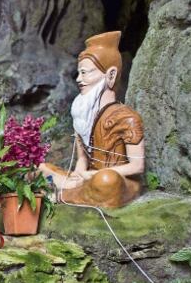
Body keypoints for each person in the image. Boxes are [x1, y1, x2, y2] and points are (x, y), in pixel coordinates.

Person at [39, 31, 145, 208]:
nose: (79, 80)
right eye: (78, 73)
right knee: (41, 169)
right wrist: (79, 175)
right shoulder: (82, 116)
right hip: (87, 179)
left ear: (110, 75)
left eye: (85, 73)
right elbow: (82, 160)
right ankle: (74, 191)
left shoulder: (128, 118)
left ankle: (60, 196)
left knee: (106, 180)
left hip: (118, 182)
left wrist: (93, 176)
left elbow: (137, 167)